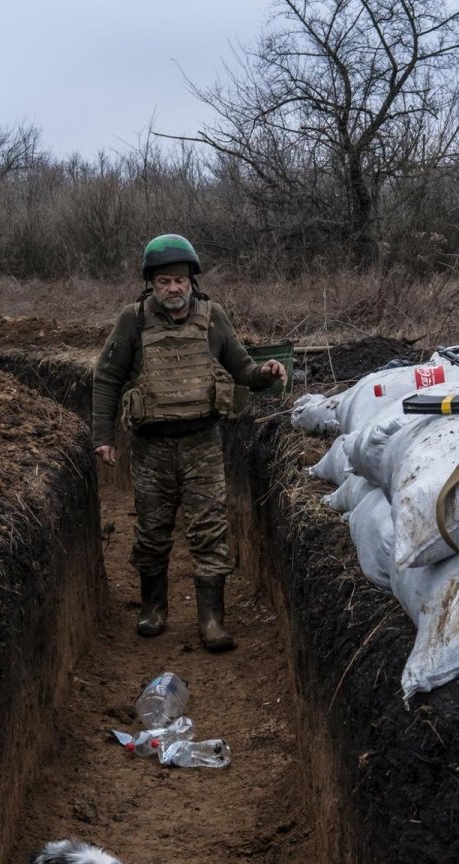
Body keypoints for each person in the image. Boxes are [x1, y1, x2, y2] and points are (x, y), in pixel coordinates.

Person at [91, 233, 287, 652]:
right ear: (151, 285)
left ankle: (212, 621)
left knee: (209, 531)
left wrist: (265, 373)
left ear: (192, 281)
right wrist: (103, 437)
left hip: (202, 443)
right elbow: (107, 377)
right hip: (150, 448)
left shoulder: (212, 317)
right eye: (163, 282)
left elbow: (242, 368)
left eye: (179, 280)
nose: (173, 289)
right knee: (151, 532)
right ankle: (154, 610)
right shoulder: (134, 320)